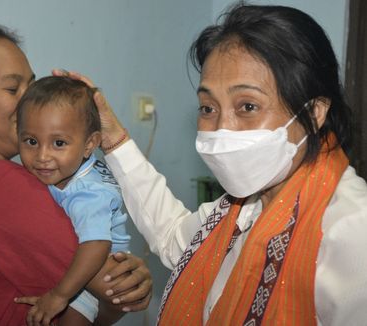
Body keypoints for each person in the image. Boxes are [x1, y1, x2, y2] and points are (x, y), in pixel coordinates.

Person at [61, 3, 367, 325]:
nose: (223, 128)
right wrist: (113, 138)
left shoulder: (350, 227)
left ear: (315, 113)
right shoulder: (239, 210)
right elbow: (171, 237)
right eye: (207, 108)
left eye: (247, 106)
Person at [0, 24, 152, 326]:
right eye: (13, 89)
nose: (30, 103)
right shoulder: (3, 184)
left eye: (31, 86)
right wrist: (133, 281)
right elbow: (118, 290)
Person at [14, 76, 131, 325]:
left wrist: (59, 295)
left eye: (59, 143)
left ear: (89, 144)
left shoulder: (89, 193)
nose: (42, 156)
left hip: (94, 272)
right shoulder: (60, 170)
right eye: (31, 141)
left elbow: (96, 244)